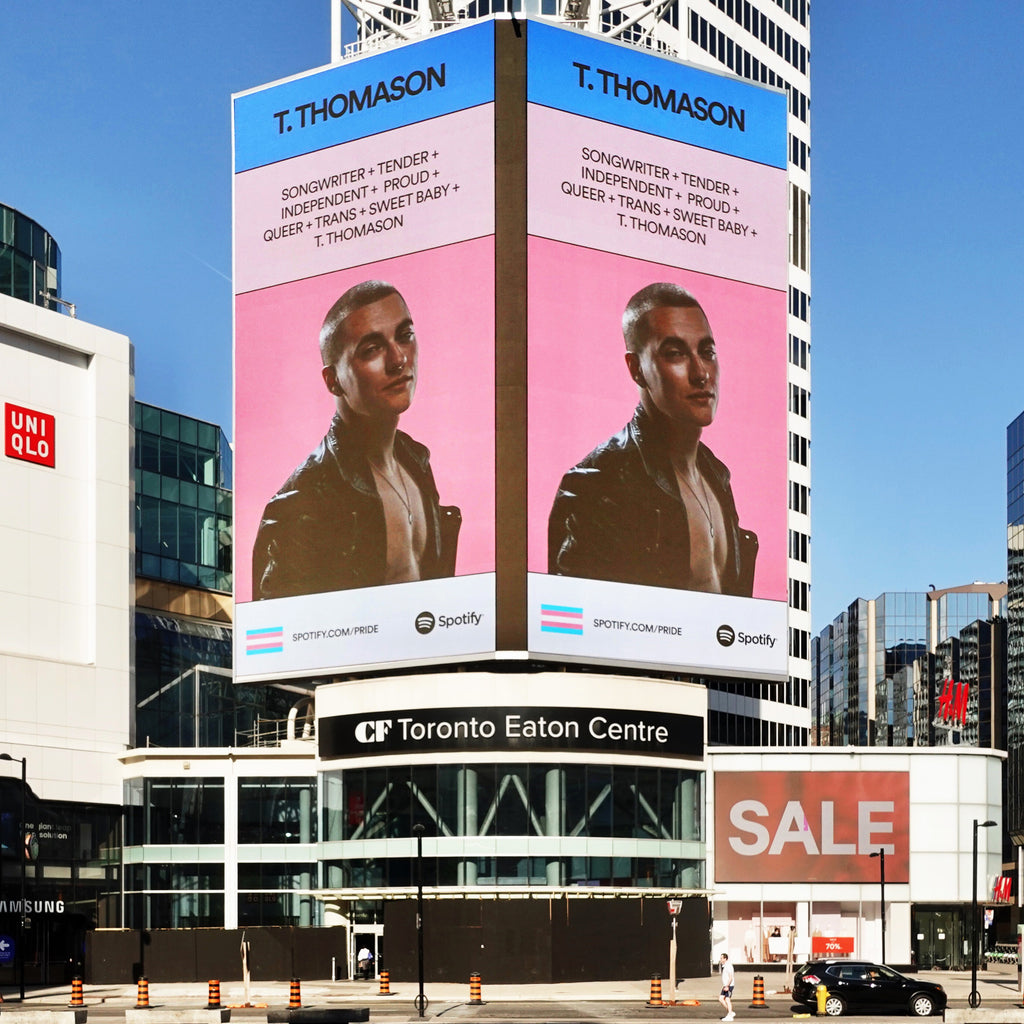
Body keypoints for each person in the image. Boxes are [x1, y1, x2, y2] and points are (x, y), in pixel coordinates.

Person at [253, 280, 461, 599]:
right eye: (371, 349)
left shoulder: (417, 464)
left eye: (404, 336)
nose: (398, 360)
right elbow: (288, 635)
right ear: (333, 380)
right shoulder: (304, 500)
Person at [548, 282, 756, 595]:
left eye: (707, 352)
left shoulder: (717, 475)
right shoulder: (599, 484)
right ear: (636, 369)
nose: (701, 374)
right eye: (675, 354)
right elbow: (572, 622)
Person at [719, 952, 736, 1021]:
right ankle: (730, 1012)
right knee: (721, 998)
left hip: (729, 985)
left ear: (725, 959)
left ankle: (730, 1016)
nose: (720, 960)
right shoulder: (725, 965)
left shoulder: (729, 966)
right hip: (725, 985)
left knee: (727, 999)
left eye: (721, 958)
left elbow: (731, 977)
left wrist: (727, 986)